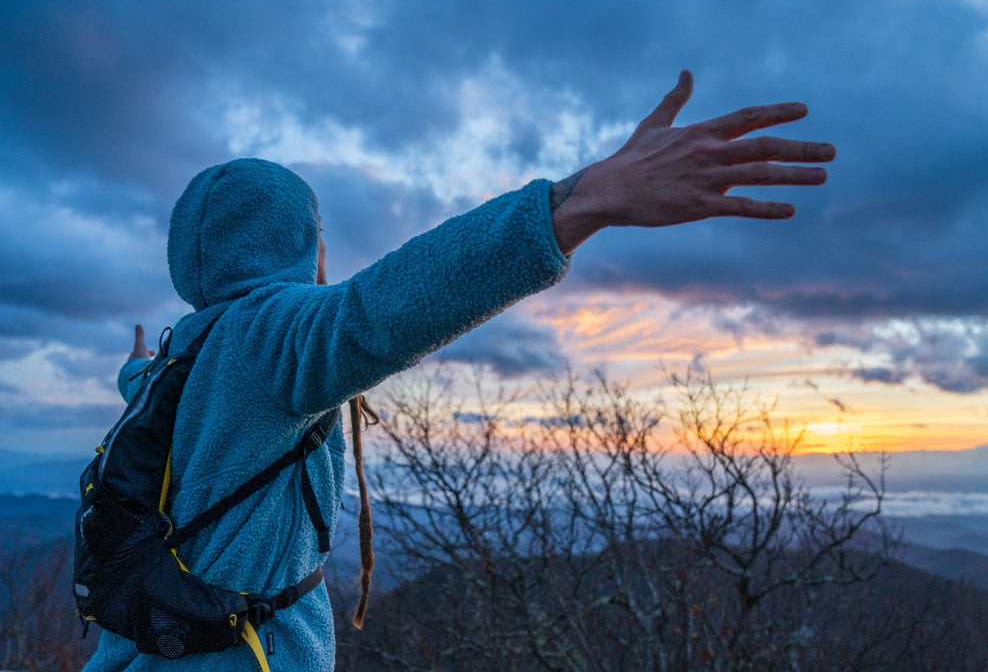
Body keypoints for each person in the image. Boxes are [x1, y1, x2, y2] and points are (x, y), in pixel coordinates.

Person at [84, 70, 834, 671]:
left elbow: (172, 422)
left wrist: (135, 371)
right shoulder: (270, 337)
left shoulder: (188, 352)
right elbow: (380, 310)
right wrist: (578, 204)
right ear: (299, 243)